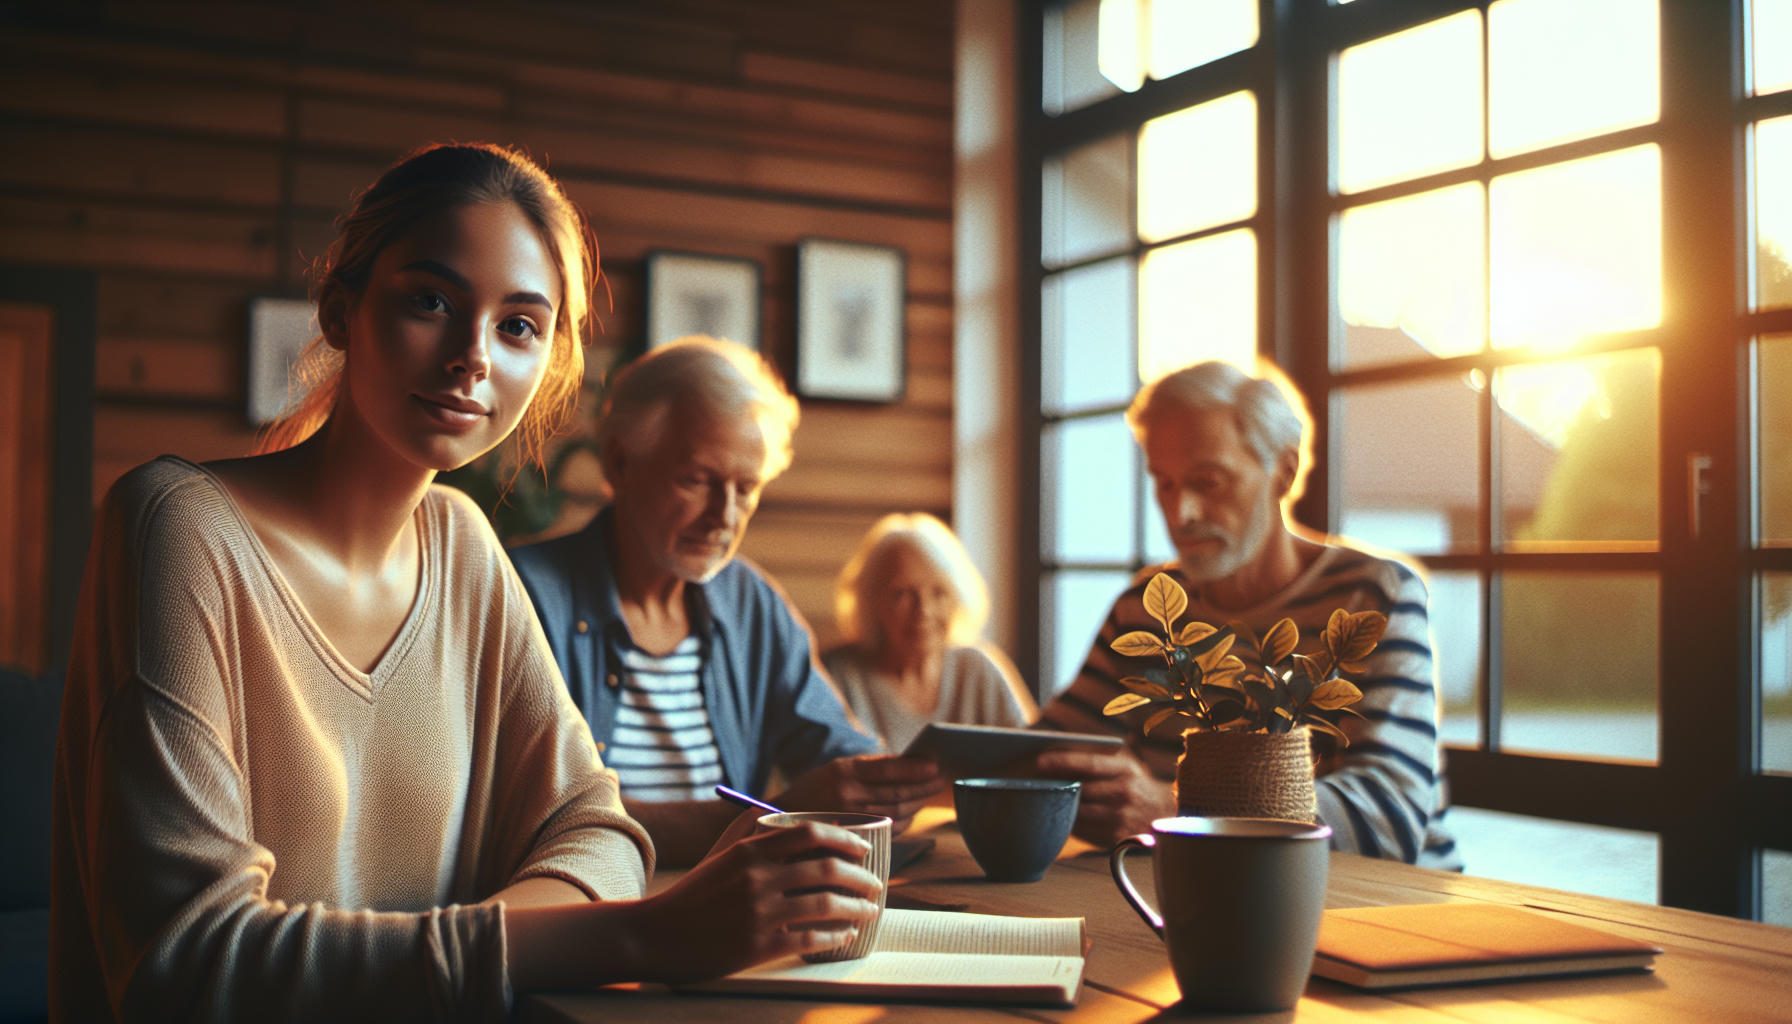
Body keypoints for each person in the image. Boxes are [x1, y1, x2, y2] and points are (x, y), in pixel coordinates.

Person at [50, 143, 882, 1023]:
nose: (473, 356)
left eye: (519, 325)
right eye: (431, 301)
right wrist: (642, 937)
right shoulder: (178, 526)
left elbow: (598, 833)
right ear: (341, 309)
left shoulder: (464, 545)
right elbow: (186, 962)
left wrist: (479, 951)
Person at [508, 337, 941, 867]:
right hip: (586, 912)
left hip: (737, 913)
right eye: (698, 480)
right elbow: (539, 816)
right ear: (619, 463)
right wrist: (773, 818)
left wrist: (881, 786)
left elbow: (838, 752)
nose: (725, 516)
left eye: (746, 487)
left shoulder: (751, 604)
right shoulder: (522, 596)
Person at [1028, 359, 1461, 870]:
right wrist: (929, 771)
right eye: (1164, 483)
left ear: (1285, 469)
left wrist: (1180, 813)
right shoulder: (1148, 605)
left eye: (1207, 482)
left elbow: (1388, 816)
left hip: (1385, 912)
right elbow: (1046, 753)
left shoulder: (1372, 596)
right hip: (1209, 888)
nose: (1180, 513)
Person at [821, 512, 1037, 753]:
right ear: (871, 601)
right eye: (902, 593)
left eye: (939, 593)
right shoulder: (836, 676)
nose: (924, 610)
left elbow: (1030, 760)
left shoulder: (979, 669)